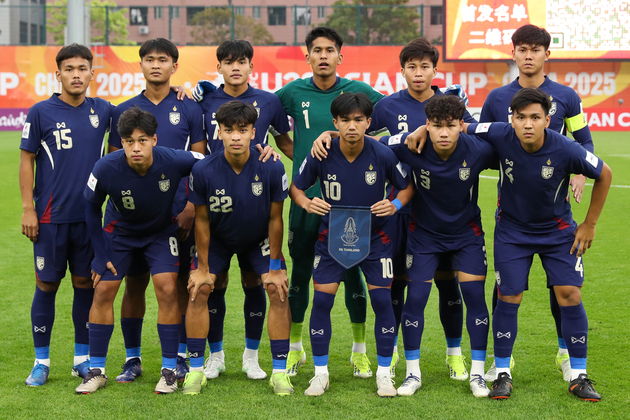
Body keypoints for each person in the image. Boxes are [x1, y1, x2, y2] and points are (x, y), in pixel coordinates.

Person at [467, 88, 611, 401]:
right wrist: (425, 128)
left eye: (535, 117)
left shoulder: (566, 149)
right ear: (511, 120)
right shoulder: (498, 132)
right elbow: (462, 126)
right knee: (509, 295)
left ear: (548, 120)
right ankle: (503, 372)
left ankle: (578, 374)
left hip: (558, 233)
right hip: (512, 232)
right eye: (521, 117)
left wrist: (589, 224)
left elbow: (605, 174)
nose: (528, 124)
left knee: (569, 293)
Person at [480, 24, 595, 382]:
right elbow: (482, 146)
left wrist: (580, 172)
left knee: (562, 287)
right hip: (512, 211)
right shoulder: (497, 98)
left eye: (536, 50)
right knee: (507, 288)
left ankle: (566, 352)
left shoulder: (566, 96)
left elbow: (585, 142)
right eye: (522, 49)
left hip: (554, 210)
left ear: (547, 54)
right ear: (512, 53)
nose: (529, 56)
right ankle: (504, 361)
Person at [277, 27, 386, 378]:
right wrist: (303, 158)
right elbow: (263, 116)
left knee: (354, 273)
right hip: (306, 200)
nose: (323, 56)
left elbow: (391, 115)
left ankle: (359, 351)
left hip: (350, 206)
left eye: (330, 50)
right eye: (317, 50)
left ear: (341, 56)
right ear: (306, 56)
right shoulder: (293, 92)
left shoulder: (358, 92)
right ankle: (295, 349)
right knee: (301, 272)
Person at [290, 93, 413, 397]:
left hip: (375, 239)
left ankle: (384, 373)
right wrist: (306, 202)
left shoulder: (382, 154)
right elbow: (296, 187)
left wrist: (395, 204)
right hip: (331, 239)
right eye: (345, 120)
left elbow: (406, 187)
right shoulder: (322, 152)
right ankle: (320, 374)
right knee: (322, 302)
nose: (352, 126)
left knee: (382, 302)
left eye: (359, 120)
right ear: (335, 123)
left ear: (369, 123)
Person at [76, 107, 204, 394]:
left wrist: (192, 205)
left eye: (143, 140)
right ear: (121, 142)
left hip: (159, 234)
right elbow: (90, 208)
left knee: (168, 288)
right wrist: (100, 254)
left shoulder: (173, 160)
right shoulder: (106, 167)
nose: (136, 148)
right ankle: (97, 370)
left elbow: (208, 162)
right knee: (104, 290)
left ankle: (169, 370)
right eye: (129, 141)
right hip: (119, 234)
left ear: (154, 140)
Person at [108, 38, 206, 383]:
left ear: (174, 67)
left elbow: (200, 163)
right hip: (134, 217)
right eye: (148, 59)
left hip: (178, 214)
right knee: (134, 285)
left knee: (177, 284)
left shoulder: (190, 108)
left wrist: (192, 207)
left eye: (162, 60)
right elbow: (111, 166)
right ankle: (132, 359)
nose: (155, 65)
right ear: (140, 65)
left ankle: (178, 356)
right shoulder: (122, 111)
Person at [192, 40, 291, 381]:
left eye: (242, 62)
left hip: (255, 199)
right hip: (216, 196)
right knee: (211, 285)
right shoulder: (202, 99)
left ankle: (251, 356)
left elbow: (284, 143)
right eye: (228, 62)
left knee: (255, 281)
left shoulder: (269, 101)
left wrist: (312, 163)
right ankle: (214, 355)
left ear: (252, 67)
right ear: (218, 66)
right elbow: (196, 147)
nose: (235, 67)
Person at [19, 43, 114, 386]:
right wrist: (28, 208)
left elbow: (141, 111)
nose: (76, 74)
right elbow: (26, 159)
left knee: (83, 286)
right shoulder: (40, 112)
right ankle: (41, 362)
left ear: (92, 73)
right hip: (48, 219)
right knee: (46, 285)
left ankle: (81, 359)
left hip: (88, 220)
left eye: (82, 68)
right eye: (69, 69)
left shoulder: (104, 111)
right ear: (58, 74)